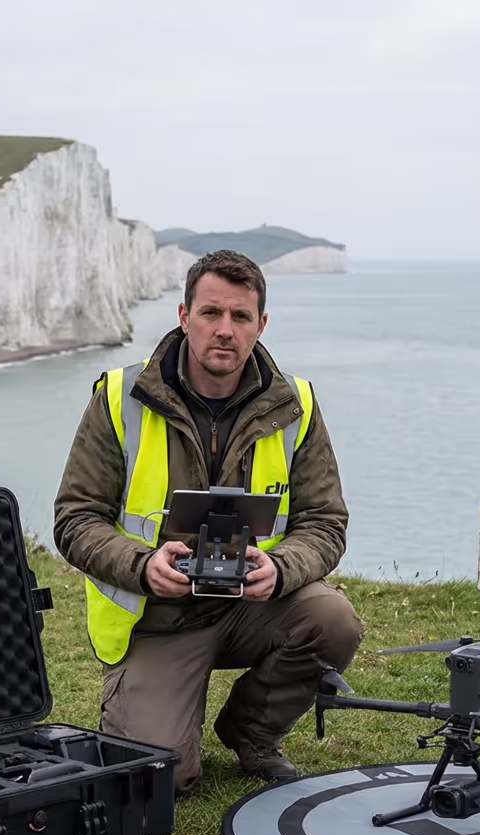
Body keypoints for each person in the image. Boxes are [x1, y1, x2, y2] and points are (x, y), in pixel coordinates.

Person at [53, 249, 363, 794]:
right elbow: (75, 519)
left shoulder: (299, 404)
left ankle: (250, 731)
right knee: (161, 778)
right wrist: (142, 565)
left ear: (260, 324)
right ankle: (159, 717)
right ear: (182, 315)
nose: (225, 330)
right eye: (211, 313)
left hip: (253, 606)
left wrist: (283, 568)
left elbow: (324, 521)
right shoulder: (119, 399)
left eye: (241, 317)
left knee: (333, 619)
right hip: (157, 615)